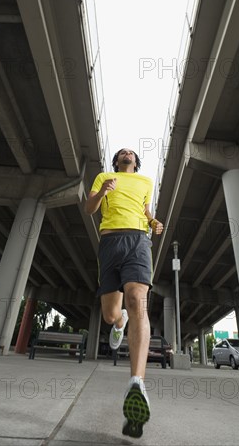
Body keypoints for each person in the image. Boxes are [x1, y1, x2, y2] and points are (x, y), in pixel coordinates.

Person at [85, 148, 163, 438]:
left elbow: (145, 211)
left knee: (137, 299)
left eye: (131, 152)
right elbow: (89, 209)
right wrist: (102, 191)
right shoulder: (104, 177)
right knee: (110, 315)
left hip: (138, 241)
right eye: (122, 152)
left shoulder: (145, 182)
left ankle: (136, 383)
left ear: (135, 161)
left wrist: (153, 222)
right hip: (109, 242)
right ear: (117, 161)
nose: (127, 153)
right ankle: (120, 323)